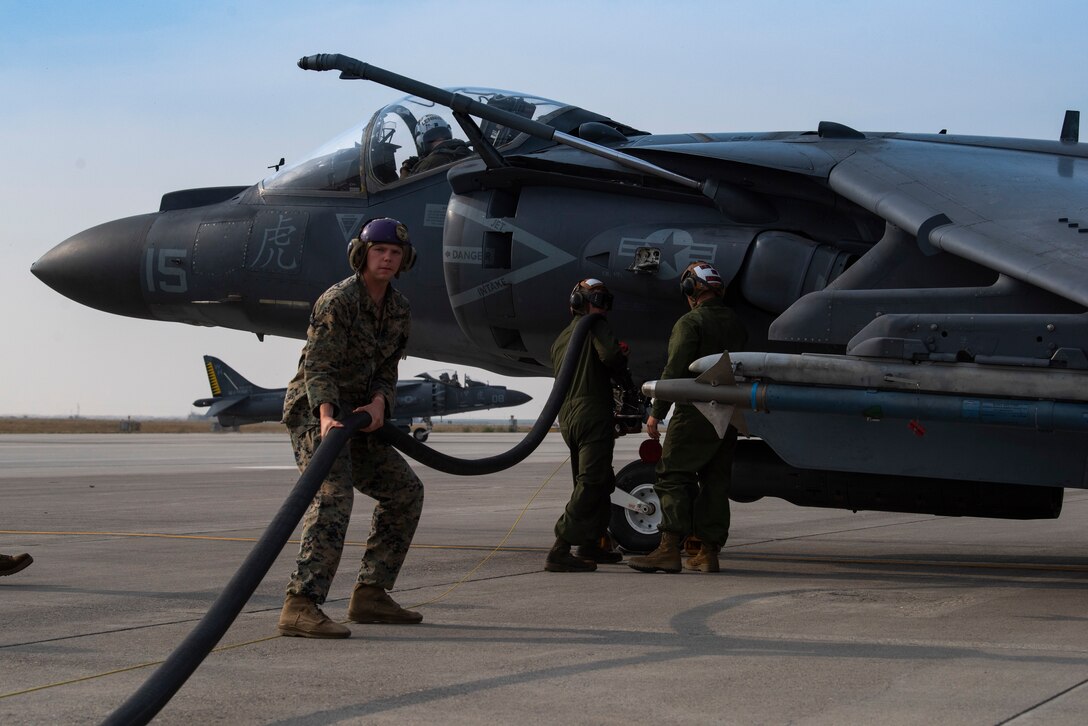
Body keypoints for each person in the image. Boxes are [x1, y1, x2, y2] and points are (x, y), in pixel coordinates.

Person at [277, 217, 425, 639]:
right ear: (362, 255)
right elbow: (319, 365)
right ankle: (300, 604)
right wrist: (326, 416)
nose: (387, 259)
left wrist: (379, 403)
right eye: (379, 251)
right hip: (316, 413)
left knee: (405, 491)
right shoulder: (338, 300)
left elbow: (387, 370)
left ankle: (371, 594)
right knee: (333, 496)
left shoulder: (399, 309)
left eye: (395, 253)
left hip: (359, 416)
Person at [628, 261, 747, 575]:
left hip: (695, 410)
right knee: (715, 480)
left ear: (691, 289)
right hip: (728, 411)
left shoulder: (691, 322)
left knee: (671, 475)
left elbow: (674, 370)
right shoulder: (736, 323)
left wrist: (656, 413)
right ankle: (707, 553)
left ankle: (668, 549)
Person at [545, 279, 632, 572]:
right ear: (580, 302)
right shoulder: (595, 325)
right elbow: (610, 356)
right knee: (592, 481)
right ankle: (560, 547)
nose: (603, 308)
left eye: (607, 302)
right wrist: (621, 356)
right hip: (592, 411)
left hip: (568, 416)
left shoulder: (561, 338)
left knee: (600, 480)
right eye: (597, 301)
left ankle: (591, 543)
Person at [399, 114, 473, 177]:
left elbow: (404, 187)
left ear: (420, 138)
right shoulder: (466, 151)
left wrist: (405, 167)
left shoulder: (428, 164)